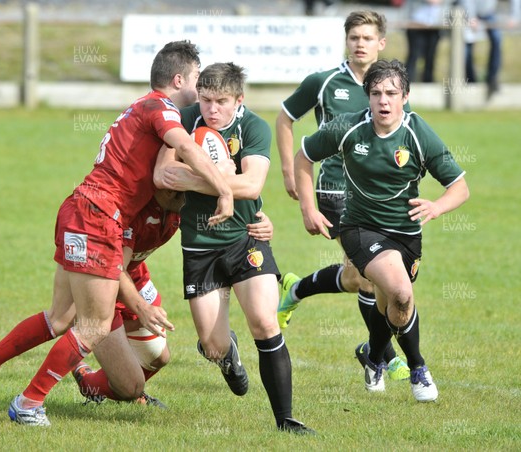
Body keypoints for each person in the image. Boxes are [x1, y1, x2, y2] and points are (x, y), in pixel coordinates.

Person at [0, 40, 234, 427]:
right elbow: (186, 145)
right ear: (179, 78)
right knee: (94, 325)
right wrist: (224, 189)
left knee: (59, 318)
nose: (199, 91)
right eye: (197, 79)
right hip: (101, 214)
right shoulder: (160, 107)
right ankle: (29, 403)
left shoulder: (139, 107)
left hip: (80, 206)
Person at [294, 58, 470, 402]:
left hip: (406, 235)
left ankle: (373, 357)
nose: (383, 101)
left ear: (405, 96)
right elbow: (304, 156)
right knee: (400, 292)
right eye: (376, 93)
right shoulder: (346, 127)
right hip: (360, 228)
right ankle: (418, 368)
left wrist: (436, 206)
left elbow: (460, 187)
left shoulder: (418, 134)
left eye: (391, 93)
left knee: (393, 305)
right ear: (368, 97)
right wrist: (308, 208)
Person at [155, 62, 315, 434]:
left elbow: (252, 186)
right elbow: (163, 175)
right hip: (199, 245)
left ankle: (285, 419)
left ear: (238, 100)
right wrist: (224, 180)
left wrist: (202, 180)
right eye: (206, 99)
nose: (212, 109)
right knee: (212, 344)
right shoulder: (183, 117)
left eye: (222, 101)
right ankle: (228, 356)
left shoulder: (254, 127)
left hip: (246, 237)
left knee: (264, 321)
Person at [275, 10, 410, 381]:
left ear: (381, 43)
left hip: (378, 197)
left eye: (367, 38)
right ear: (346, 41)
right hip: (335, 192)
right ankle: (380, 355)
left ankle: (295, 288)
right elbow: (285, 117)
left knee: (355, 278)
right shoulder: (324, 82)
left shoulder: (392, 87)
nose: (360, 44)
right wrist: (289, 170)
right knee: (369, 279)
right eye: (354, 38)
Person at [72, 189, 274, 408]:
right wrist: (141, 308)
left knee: (159, 357)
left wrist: (258, 218)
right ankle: (37, 399)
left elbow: (222, 209)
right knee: (60, 321)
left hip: (136, 280)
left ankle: (105, 383)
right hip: (105, 280)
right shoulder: (137, 210)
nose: (190, 198)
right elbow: (115, 267)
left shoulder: (180, 207)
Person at [459, 0, 520, 98]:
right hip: (466, 13)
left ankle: (492, 78)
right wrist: (471, 17)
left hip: (489, 13)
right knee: (466, 49)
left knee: (497, 39)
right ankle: (470, 80)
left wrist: (514, 16)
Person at [404, 0, 449, 83]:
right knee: (413, 56)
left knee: (430, 57)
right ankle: (407, 82)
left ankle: (428, 82)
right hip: (416, 24)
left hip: (435, 25)